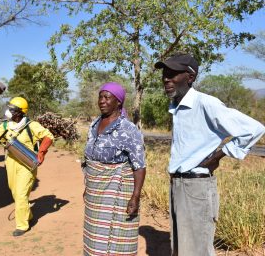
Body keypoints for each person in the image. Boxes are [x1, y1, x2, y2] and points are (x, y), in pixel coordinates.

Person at [155, 53, 265, 256]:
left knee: (196, 251)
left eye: (172, 74)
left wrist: (218, 155)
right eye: (164, 74)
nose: (166, 79)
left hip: (196, 188)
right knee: (181, 250)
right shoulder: (177, 107)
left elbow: (254, 128)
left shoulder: (206, 103)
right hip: (178, 185)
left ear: (190, 77)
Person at [0, 97, 54, 237]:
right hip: (11, 163)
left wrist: (41, 152)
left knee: (20, 195)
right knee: (15, 193)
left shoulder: (31, 125)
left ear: (20, 112)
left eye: (12, 109)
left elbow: (48, 136)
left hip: (27, 165)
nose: (8, 111)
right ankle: (28, 215)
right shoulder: (5, 126)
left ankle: (22, 225)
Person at [82, 82, 146, 255]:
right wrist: (87, 187)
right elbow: (88, 159)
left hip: (116, 191)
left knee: (116, 236)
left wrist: (135, 197)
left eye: (107, 97)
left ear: (118, 102)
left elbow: (139, 165)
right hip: (95, 192)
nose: (102, 101)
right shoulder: (94, 125)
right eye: (100, 97)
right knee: (94, 234)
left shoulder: (128, 129)